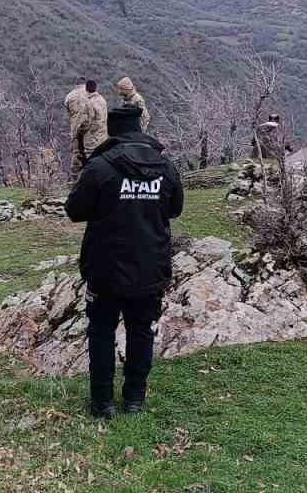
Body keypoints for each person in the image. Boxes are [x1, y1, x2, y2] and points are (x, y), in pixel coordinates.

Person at [66, 104, 184, 418]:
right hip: (150, 267)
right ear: (140, 128)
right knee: (142, 332)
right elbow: (175, 209)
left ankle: (102, 403)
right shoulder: (165, 166)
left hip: (105, 268)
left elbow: (74, 210)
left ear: (113, 131)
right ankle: (134, 400)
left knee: (102, 332)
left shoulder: (101, 167)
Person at [68, 80, 109, 174]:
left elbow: (86, 123)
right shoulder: (102, 100)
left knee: (91, 162)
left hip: (92, 139)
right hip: (103, 137)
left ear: (86, 89)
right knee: (101, 160)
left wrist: (78, 133)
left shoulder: (89, 103)